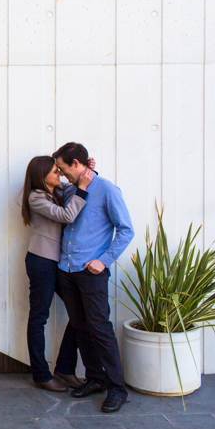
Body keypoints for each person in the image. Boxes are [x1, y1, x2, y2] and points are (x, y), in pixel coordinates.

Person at [53, 142, 134, 413]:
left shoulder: (108, 190)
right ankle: (96, 378)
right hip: (67, 269)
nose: (62, 174)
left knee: (100, 329)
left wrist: (104, 260)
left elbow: (125, 230)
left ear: (76, 164)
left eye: (64, 169)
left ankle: (117, 389)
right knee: (80, 327)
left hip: (91, 272)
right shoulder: (70, 190)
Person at [21, 155, 94, 392]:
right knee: (39, 317)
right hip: (42, 262)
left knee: (79, 311)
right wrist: (82, 188)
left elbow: (76, 183)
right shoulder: (36, 198)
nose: (59, 174)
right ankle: (41, 374)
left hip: (59, 262)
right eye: (55, 171)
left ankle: (64, 367)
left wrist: (87, 170)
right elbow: (66, 216)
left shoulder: (58, 190)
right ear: (41, 175)